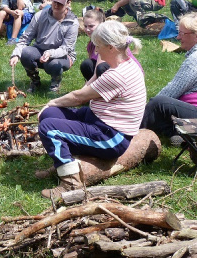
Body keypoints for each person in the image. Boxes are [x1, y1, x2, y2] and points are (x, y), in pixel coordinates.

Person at [37, 21, 146, 199]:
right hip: (98, 119)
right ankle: (66, 163)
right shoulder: (122, 64)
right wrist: (51, 107)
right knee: (50, 115)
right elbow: (87, 89)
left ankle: (70, 183)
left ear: (110, 47)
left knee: (48, 128)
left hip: (111, 137)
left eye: (98, 46)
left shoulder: (117, 75)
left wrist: (51, 102)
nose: (95, 51)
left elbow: (78, 98)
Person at [141, 12, 197, 146]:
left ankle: (128, 131)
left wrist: (147, 107)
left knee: (158, 103)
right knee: (161, 113)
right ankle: (184, 137)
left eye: (183, 34)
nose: (178, 37)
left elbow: (172, 90)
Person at [10, 0, 79, 93]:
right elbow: (26, 37)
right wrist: (16, 54)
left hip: (63, 56)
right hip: (40, 50)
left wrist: (50, 53)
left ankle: (55, 84)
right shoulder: (40, 15)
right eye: (54, 1)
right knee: (26, 53)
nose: (56, 5)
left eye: (60, 2)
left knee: (53, 64)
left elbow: (66, 48)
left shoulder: (72, 22)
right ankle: (35, 81)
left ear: (68, 2)